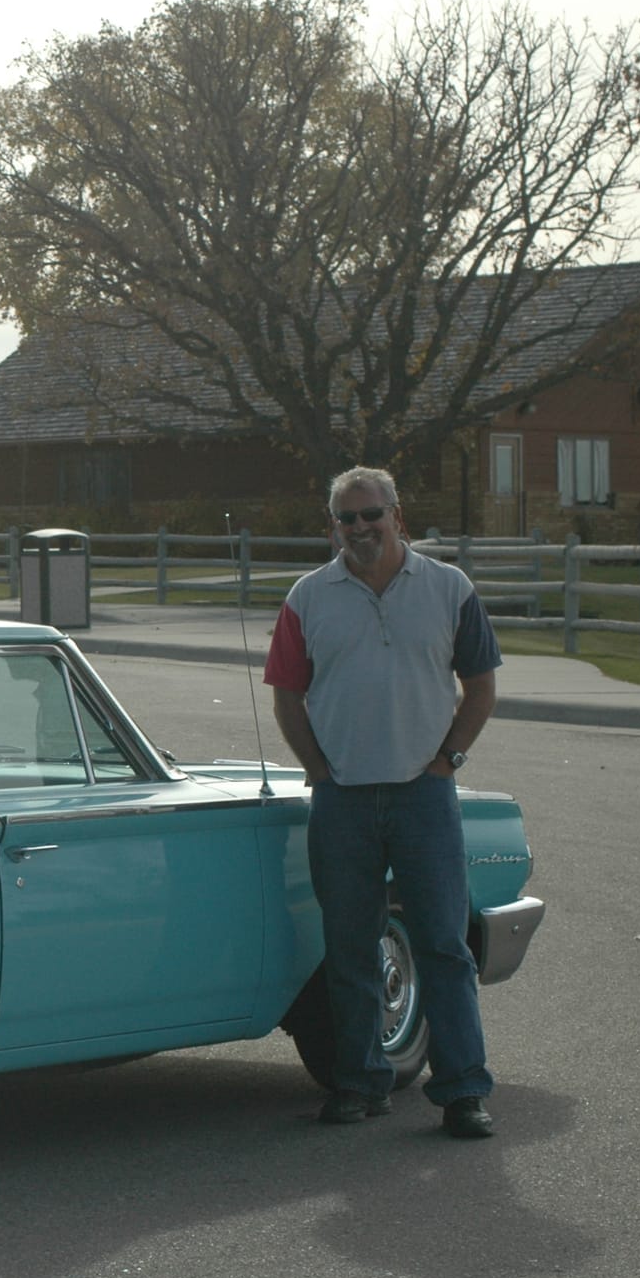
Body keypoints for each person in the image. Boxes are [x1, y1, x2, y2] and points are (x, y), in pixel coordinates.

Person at [264, 466, 501, 1140]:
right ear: (332, 525)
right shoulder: (309, 596)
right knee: (350, 949)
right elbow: (285, 691)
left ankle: (462, 1091)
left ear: (399, 515)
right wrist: (317, 768)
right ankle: (361, 1081)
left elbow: (481, 685)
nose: (361, 528)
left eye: (372, 514)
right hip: (342, 801)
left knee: (443, 946)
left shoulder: (449, 588)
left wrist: (446, 761)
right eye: (348, 518)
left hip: (423, 797)